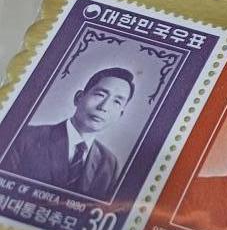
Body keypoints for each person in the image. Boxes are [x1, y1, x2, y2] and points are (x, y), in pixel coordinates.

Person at [2, 67, 135, 198]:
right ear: (79, 98)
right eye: (100, 95)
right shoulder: (26, 137)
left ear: (120, 115)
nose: (104, 107)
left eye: (117, 101)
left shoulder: (109, 163)